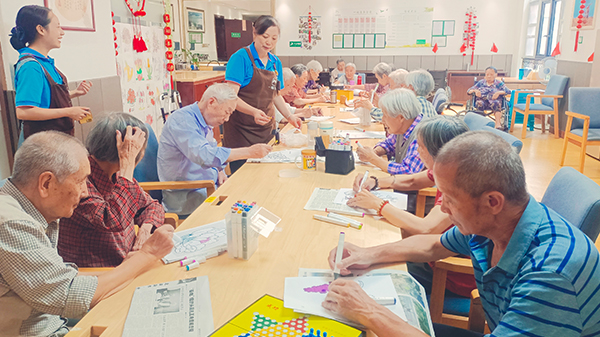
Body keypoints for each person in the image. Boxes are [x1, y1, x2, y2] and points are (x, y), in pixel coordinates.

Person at [324, 131, 600, 337]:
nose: (441, 205)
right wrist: (366, 254)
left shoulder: (551, 274)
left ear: (493, 201)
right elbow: (433, 246)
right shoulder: (493, 224)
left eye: (450, 198)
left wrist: (370, 311)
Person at [0, 131, 173, 336]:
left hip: (59, 318)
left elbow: (63, 280)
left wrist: (132, 266)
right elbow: (69, 295)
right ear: (46, 183)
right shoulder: (10, 223)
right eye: (80, 181)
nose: (84, 192)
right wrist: (147, 255)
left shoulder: (36, 209)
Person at [348, 116, 476, 298]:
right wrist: (376, 181)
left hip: (449, 272)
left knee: (372, 279)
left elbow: (427, 229)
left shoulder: (461, 187)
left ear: (438, 153)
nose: (416, 151)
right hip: (437, 252)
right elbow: (413, 180)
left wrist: (378, 204)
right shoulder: (451, 167)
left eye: (420, 147)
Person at [57, 113, 165, 267]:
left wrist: (145, 229)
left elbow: (152, 206)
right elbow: (113, 220)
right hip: (101, 276)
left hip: (127, 264)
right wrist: (128, 164)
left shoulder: (117, 176)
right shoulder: (79, 181)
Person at [158, 83, 273, 217]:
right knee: (246, 209)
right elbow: (204, 155)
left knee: (256, 190)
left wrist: (220, 170)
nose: (227, 119)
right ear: (211, 102)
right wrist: (249, 152)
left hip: (209, 187)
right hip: (189, 196)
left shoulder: (204, 120)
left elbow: (211, 148)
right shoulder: (182, 120)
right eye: (226, 112)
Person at [223, 15, 301, 174]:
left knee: (266, 175)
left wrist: (289, 116)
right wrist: (253, 112)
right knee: (243, 177)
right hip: (241, 131)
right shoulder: (240, 58)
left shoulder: (275, 62)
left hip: (265, 128)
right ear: (254, 34)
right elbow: (231, 96)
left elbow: (276, 95)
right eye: (265, 36)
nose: (269, 42)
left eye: (274, 38)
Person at [11, 5, 92, 140]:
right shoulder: (31, 66)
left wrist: (74, 93)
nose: (62, 32)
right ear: (41, 29)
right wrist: (69, 111)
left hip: (54, 140)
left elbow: (45, 101)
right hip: (40, 144)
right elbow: (23, 112)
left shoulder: (45, 62)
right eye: (58, 26)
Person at [356, 88, 423, 176]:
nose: (383, 120)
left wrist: (372, 158)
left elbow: (408, 171)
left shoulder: (421, 136)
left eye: (385, 115)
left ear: (401, 117)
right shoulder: (404, 127)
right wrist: (375, 152)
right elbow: (388, 144)